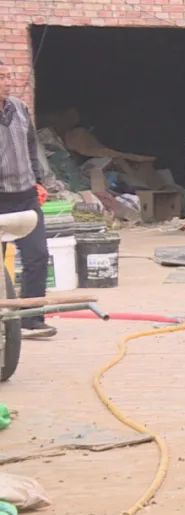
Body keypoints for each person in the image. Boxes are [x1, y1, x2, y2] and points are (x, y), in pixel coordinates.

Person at [0, 59, 54, 339]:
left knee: (37, 256)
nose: (6, 82)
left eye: (7, 76)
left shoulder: (19, 109)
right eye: (1, 77)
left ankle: (31, 321)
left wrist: (38, 180)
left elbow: (32, 146)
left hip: (26, 197)